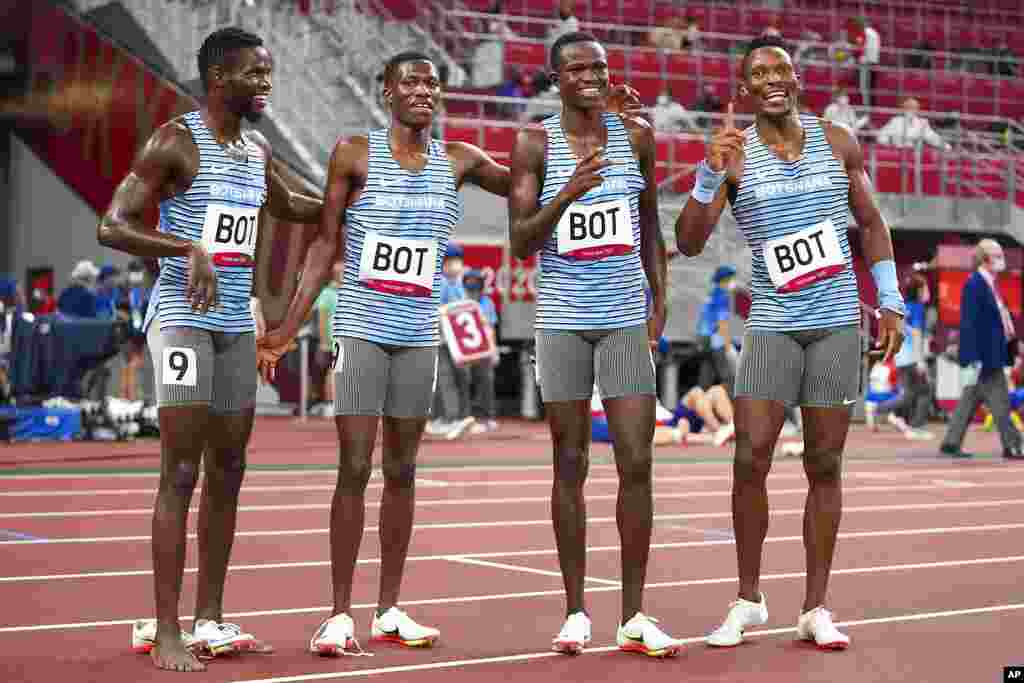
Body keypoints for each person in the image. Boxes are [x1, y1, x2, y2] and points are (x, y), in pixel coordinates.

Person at [255, 50, 515, 658]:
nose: (424, 90)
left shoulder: (459, 160)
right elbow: (324, 244)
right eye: (410, 82)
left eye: (432, 82)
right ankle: (339, 613)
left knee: (402, 470)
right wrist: (290, 323)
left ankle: (389, 609)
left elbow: (529, 176)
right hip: (363, 328)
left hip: (418, 335)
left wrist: (598, 126)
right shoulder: (354, 152)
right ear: (387, 93)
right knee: (354, 466)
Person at [97, 27, 324, 672]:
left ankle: (210, 618)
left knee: (230, 469)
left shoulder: (256, 149)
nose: (267, 85)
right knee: (182, 470)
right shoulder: (174, 143)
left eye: (269, 72)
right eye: (257, 74)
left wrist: (351, 199)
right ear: (219, 77)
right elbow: (112, 224)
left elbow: (295, 204)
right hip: (183, 321)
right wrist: (186, 248)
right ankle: (166, 628)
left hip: (234, 324)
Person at [674, 35, 906, 651]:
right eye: (760, 72)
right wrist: (706, 177)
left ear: (798, 79)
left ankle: (815, 607)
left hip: (835, 323)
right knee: (750, 454)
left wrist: (891, 300)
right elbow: (690, 242)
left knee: (824, 463)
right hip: (774, 323)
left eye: (783, 69)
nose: (774, 78)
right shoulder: (734, 154)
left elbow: (873, 222)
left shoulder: (837, 141)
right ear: (744, 89)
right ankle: (748, 599)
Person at [508, 31, 683, 658]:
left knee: (637, 460)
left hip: (625, 319)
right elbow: (521, 242)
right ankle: (576, 609)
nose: (590, 76)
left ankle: (634, 612)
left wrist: (660, 302)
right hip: (561, 321)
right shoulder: (532, 143)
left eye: (599, 67)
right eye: (577, 68)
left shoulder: (634, 135)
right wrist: (567, 192)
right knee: (570, 461)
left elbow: (652, 228)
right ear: (556, 79)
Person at [939, 239, 1024, 460]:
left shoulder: (990, 283)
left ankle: (951, 442)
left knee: (971, 398)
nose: (1001, 259)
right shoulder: (975, 283)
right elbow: (970, 322)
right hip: (986, 355)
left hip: (992, 352)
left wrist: (1013, 343)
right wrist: (973, 356)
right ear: (985, 258)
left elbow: (1000, 319)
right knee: (1001, 401)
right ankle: (1013, 444)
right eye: (997, 254)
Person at [865, 272, 934, 440]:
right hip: (911, 357)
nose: (928, 292)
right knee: (925, 391)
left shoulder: (903, 307)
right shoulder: (918, 308)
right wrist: (920, 361)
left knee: (909, 394)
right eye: (926, 289)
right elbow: (917, 335)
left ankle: (878, 408)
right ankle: (915, 427)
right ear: (919, 291)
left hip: (901, 356)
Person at [463, 268, 500, 432]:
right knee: (463, 381)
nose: (472, 292)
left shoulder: (487, 303)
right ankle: (466, 417)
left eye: (475, 288)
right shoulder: (459, 302)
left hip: (483, 350)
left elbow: (490, 328)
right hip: (463, 351)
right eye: (469, 288)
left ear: (481, 287)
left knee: (486, 380)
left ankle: (487, 416)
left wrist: (493, 350)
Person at [696, 265, 739, 395]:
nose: (733, 282)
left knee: (705, 378)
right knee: (728, 378)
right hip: (717, 342)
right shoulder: (722, 296)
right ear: (725, 280)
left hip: (705, 341)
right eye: (731, 279)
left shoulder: (712, 294)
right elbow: (722, 323)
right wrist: (727, 346)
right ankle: (731, 409)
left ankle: (698, 406)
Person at [876, 98, 951, 150]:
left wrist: (947, 147)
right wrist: (888, 146)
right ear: (903, 109)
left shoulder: (922, 122)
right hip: (898, 152)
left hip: (915, 154)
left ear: (917, 109)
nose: (911, 110)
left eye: (913, 107)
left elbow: (933, 137)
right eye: (908, 107)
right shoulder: (895, 121)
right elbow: (882, 135)